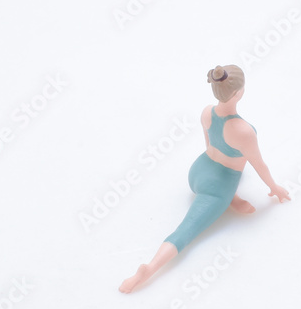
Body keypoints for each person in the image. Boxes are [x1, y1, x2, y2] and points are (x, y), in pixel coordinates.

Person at [119, 64, 290, 294]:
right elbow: (259, 165)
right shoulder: (243, 131)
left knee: (219, 195)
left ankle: (230, 199)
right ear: (238, 92)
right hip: (217, 187)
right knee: (186, 230)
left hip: (197, 172)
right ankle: (148, 270)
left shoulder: (207, 112)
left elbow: (209, 144)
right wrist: (275, 187)